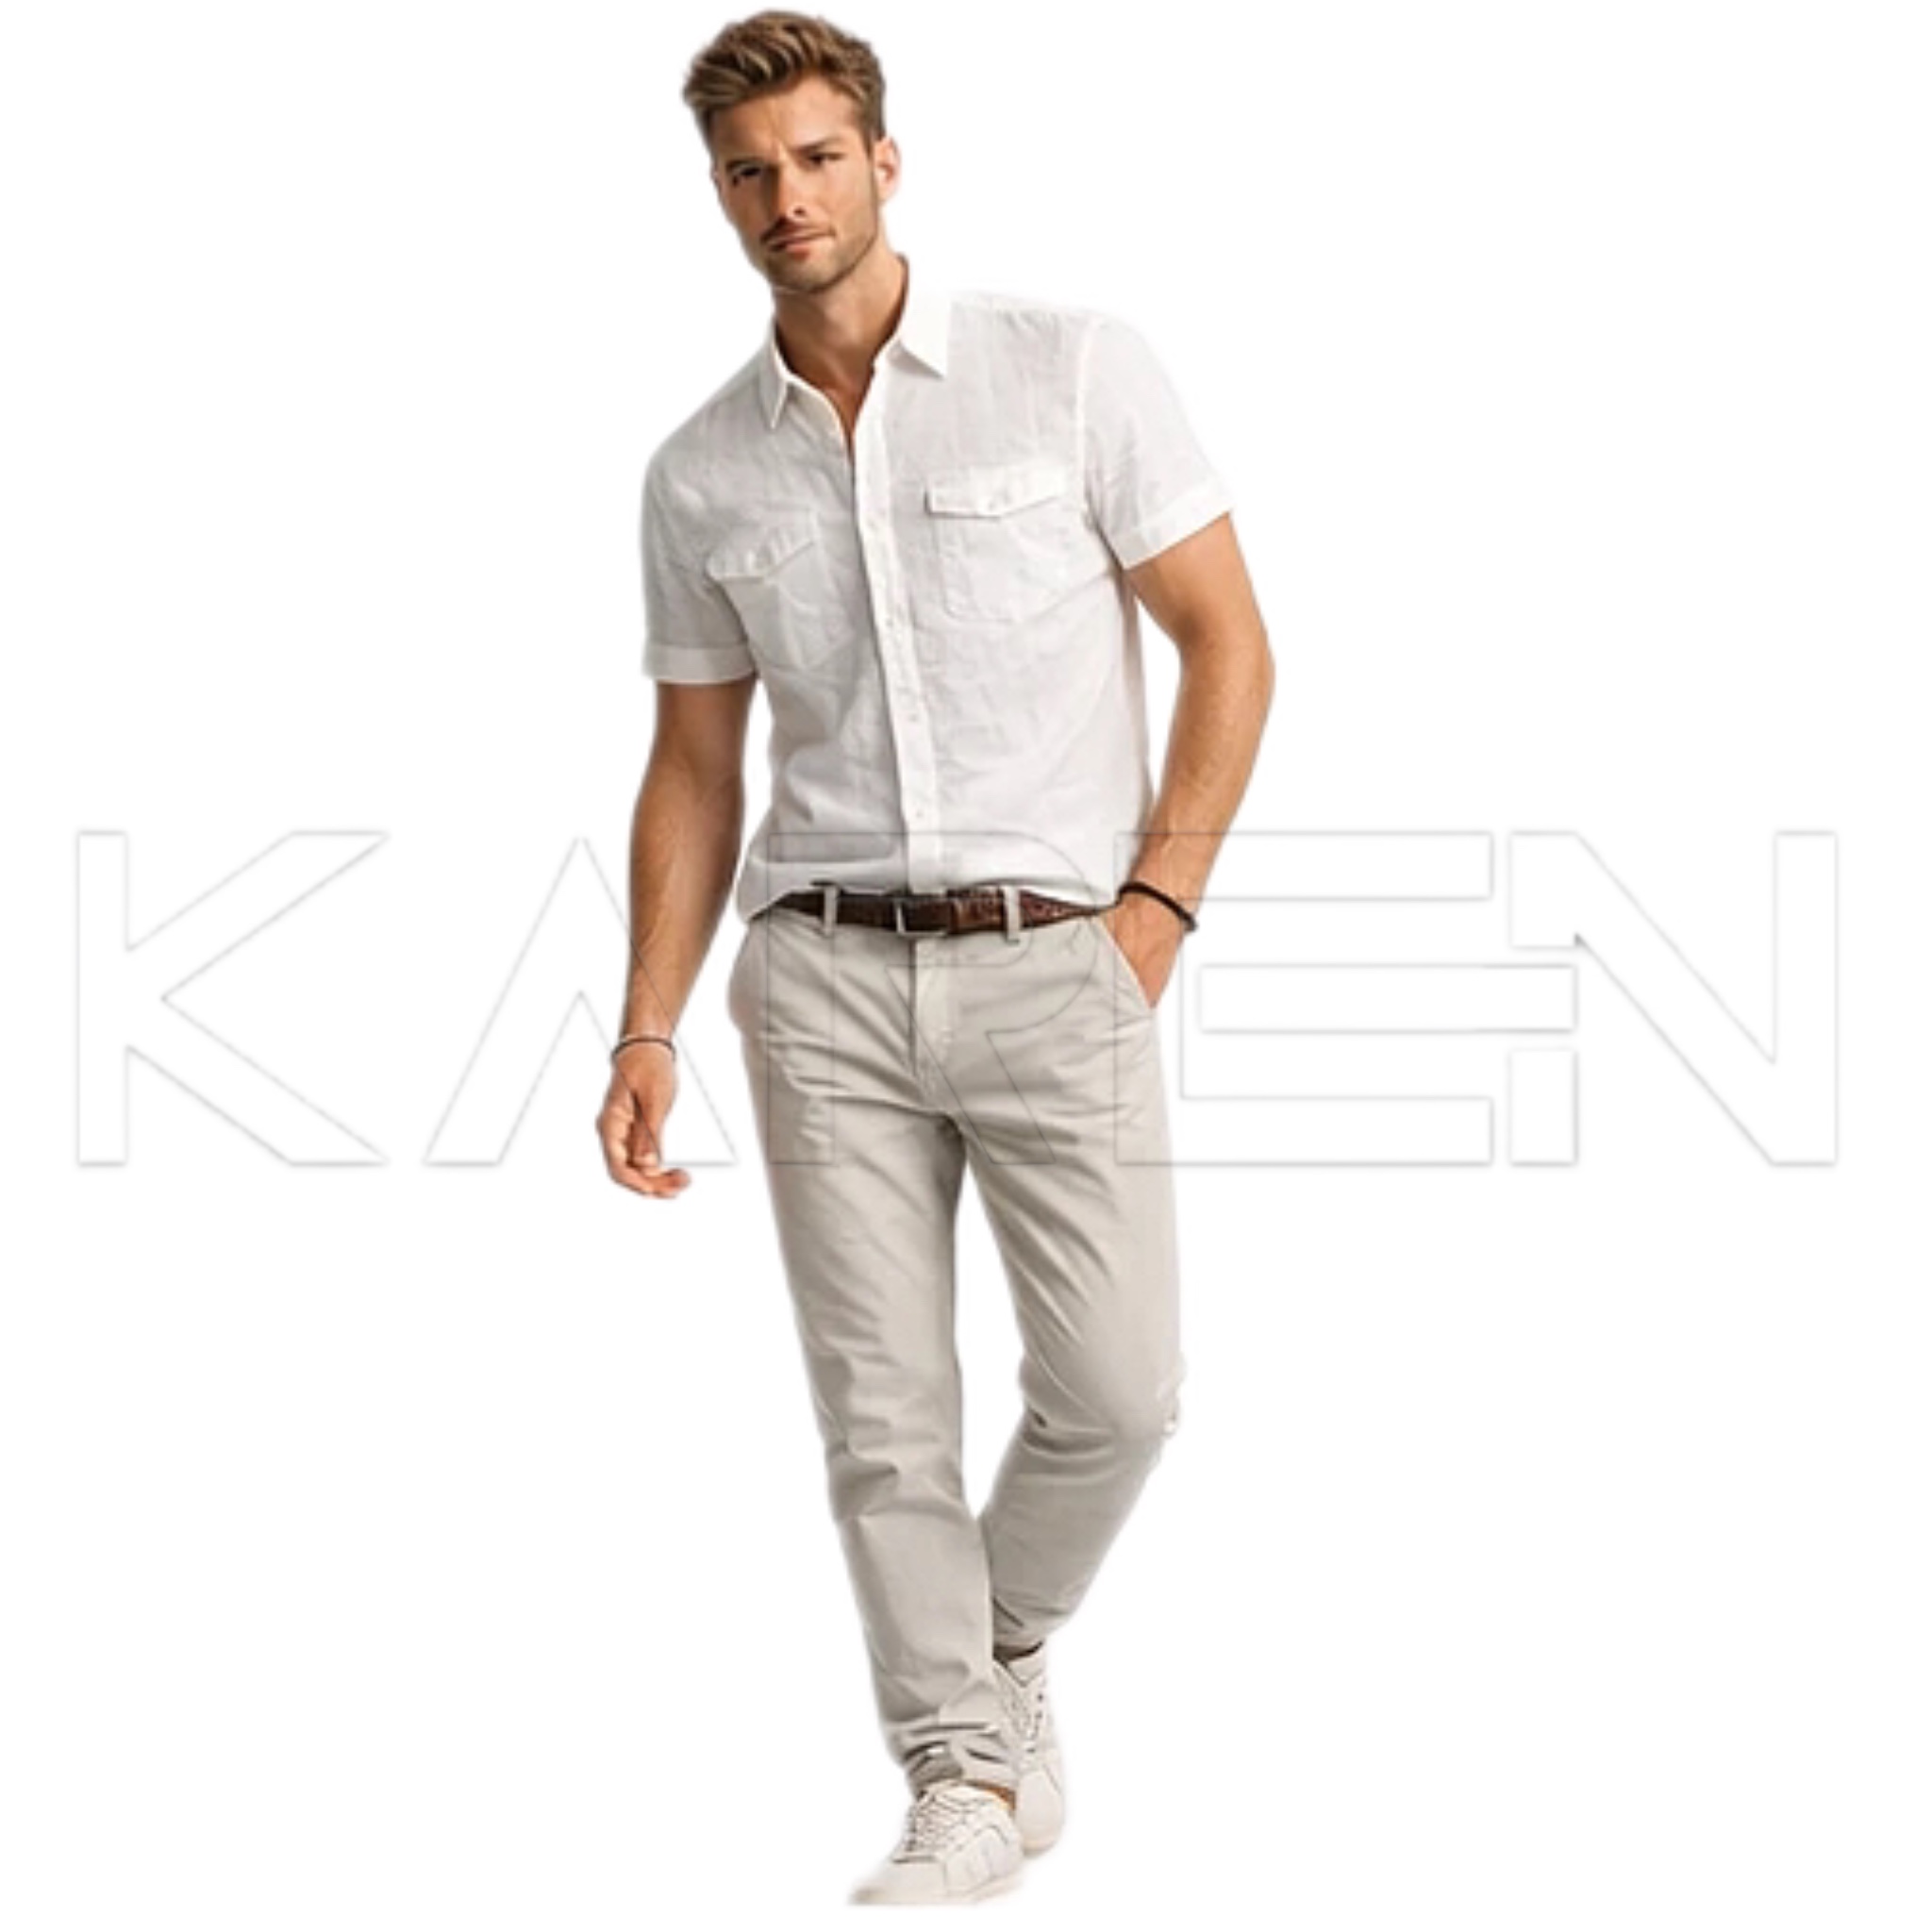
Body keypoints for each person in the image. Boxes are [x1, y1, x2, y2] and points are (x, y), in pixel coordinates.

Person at [595, 10, 1274, 1907]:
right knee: (883, 1420)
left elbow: (1229, 640)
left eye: (817, 157)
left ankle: (1001, 1641)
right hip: (818, 978)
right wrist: (647, 1023)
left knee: (1120, 1392)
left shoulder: (1072, 370)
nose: (785, 199)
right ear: (716, 193)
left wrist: (1155, 909)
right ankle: (960, 1771)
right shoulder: (698, 473)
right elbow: (693, 765)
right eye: (747, 172)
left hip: (1060, 963)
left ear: (884, 162)